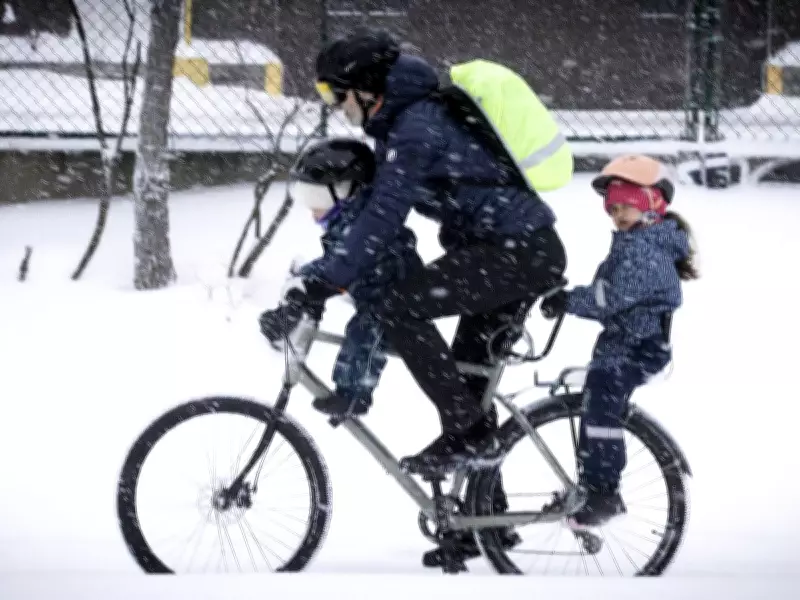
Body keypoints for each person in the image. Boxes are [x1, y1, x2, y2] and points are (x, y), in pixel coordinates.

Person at [540, 154, 699, 528]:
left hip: (639, 348)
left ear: (650, 204)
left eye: (626, 205)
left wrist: (569, 300)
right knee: (596, 405)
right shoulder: (636, 243)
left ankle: (603, 492)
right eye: (612, 209)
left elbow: (609, 297)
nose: (617, 215)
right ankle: (591, 486)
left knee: (603, 403)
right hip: (625, 344)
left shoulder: (645, 250)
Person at [258, 137, 422, 417]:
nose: (313, 211)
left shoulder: (368, 231)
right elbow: (333, 264)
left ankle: (355, 394)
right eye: (307, 198)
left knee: (366, 330)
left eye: (318, 198)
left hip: (398, 303)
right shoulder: (349, 224)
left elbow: (345, 268)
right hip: (375, 295)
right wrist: (297, 294)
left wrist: (317, 286)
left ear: (351, 192)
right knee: (365, 323)